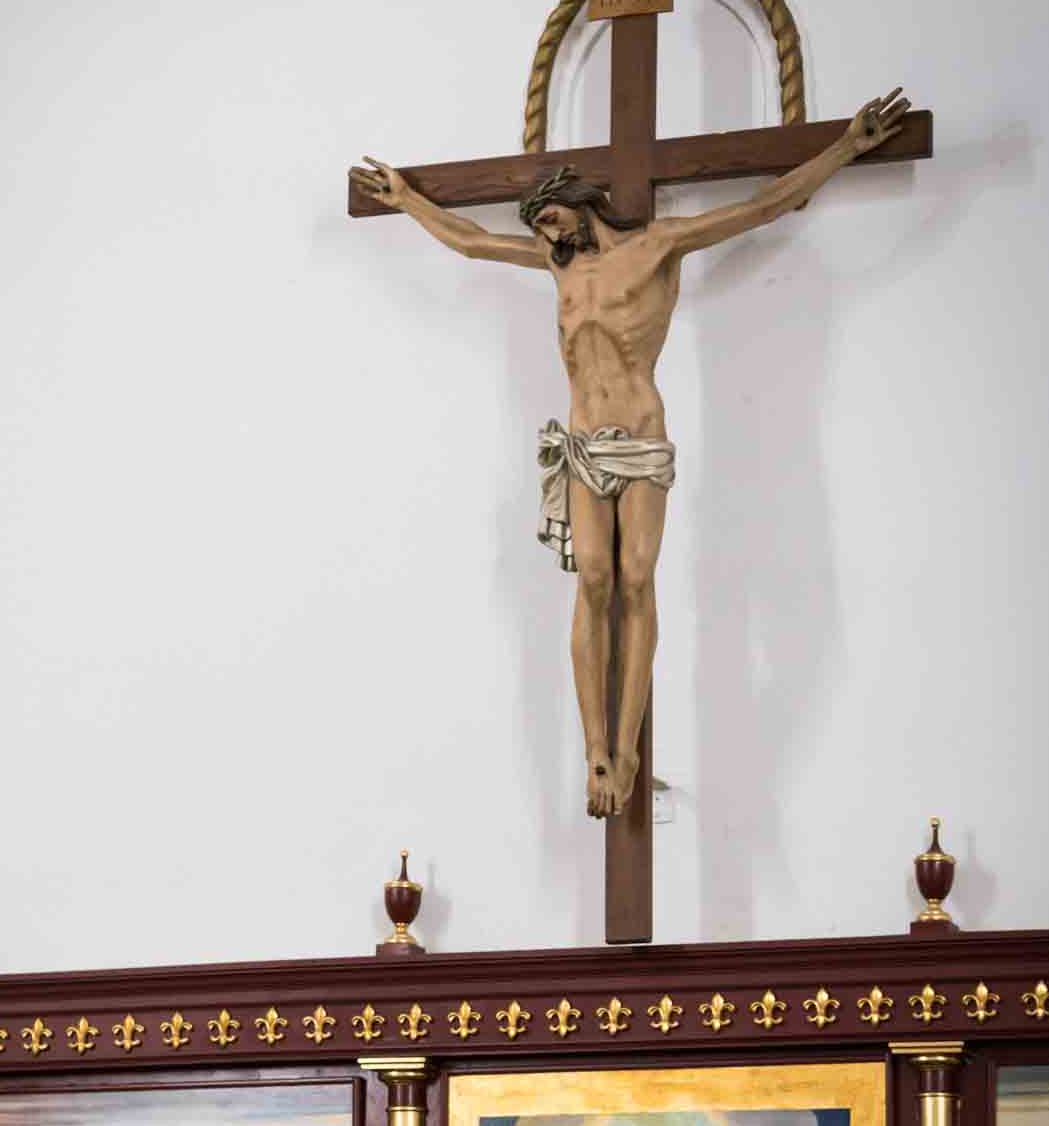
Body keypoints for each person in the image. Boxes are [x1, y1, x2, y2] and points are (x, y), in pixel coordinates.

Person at [350, 90, 910, 818]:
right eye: (538, 227)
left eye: (549, 218)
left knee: (636, 578)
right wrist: (407, 201)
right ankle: (595, 750)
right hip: (582, 444)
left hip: (640, 437)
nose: (545, 234)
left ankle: (631, 744)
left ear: (579, 203)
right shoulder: (558, 267)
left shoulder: (657, 246)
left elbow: (764, 206)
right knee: (592, 580)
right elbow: (468, 241)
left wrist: (844, 148)